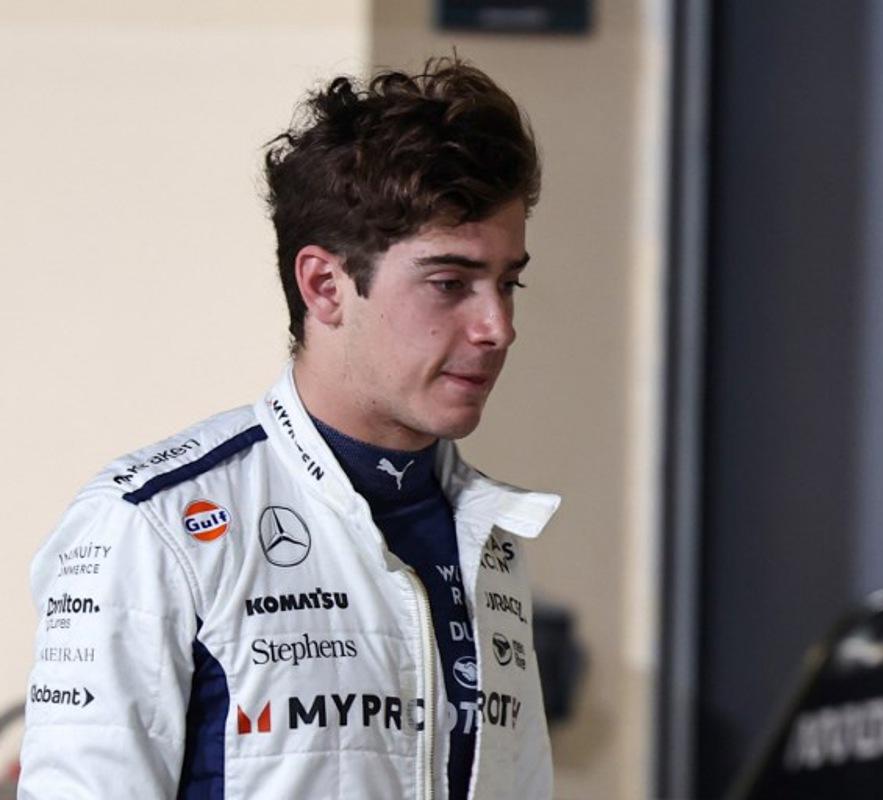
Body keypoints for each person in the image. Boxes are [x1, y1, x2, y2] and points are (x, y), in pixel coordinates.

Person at [19, 56, 559, 799]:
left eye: (508, 282)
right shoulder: (151, 526)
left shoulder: (487, 534)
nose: (498, 327)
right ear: (324, 286)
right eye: (449, 284)